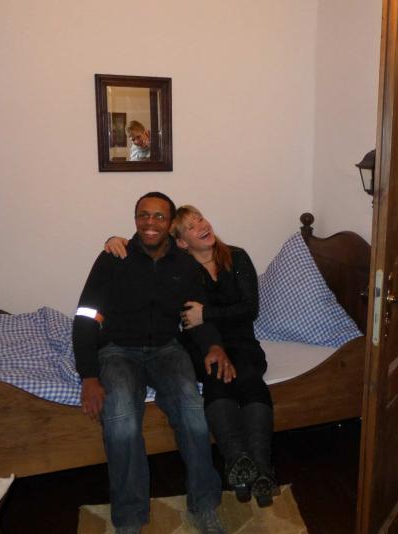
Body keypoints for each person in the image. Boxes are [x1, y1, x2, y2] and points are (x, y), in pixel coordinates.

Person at [73, 192, 234, 534]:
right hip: (117, 351)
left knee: (193, 412)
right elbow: (86, 316)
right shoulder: (113, 258)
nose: (150, 223)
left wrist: (214, 346)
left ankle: (205, 505)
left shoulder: (184, 265)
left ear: (170, 223)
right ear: (135, 219)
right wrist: (88, 375)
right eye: (143, 215)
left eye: (159, 216)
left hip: (166, 350)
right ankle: (130, 519)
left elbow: (194, 316)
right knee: (121, 421)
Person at [104, 206, 278, 507]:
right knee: (215, 380)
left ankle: (261, 467)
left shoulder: (236, 257)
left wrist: (206, 313)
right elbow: (188, 320)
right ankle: (237, 460)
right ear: (182, 242)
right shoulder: (180, 269)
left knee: (250, 378)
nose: (202, 226)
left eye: (200, 219)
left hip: (242, 342)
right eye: (191, 226)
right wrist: (113, 239)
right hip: (200, 345)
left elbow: (250, 310)